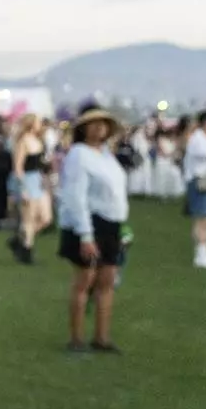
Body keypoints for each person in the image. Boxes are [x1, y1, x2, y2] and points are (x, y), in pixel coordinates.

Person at [56, 106, 130, 353]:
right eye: (94, 123)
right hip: (89, 221)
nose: (99, 128)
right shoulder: (79, 155)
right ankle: (76, 338)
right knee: (84, 280)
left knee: (107, 280)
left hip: (110, 223)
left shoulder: (107, 156)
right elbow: (76, 195)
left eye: (104, 124)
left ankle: (102, 337)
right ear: (84, 128)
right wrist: (85, 234)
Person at [9, 113, 53, 265]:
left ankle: (19, 240)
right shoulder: (23, 141)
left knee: (46, 218)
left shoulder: (38, 140)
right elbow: (18, 167)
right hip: (28, 181)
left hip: (39, 180)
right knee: (29, 218)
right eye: (37, 122)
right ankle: (27, 249)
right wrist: (23, 189)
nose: (40, 124)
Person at [182, 111, 206, 269]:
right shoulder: (198, 138)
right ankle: (201, 255)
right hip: (200, 182)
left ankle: (204, 251)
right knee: (203, 219)